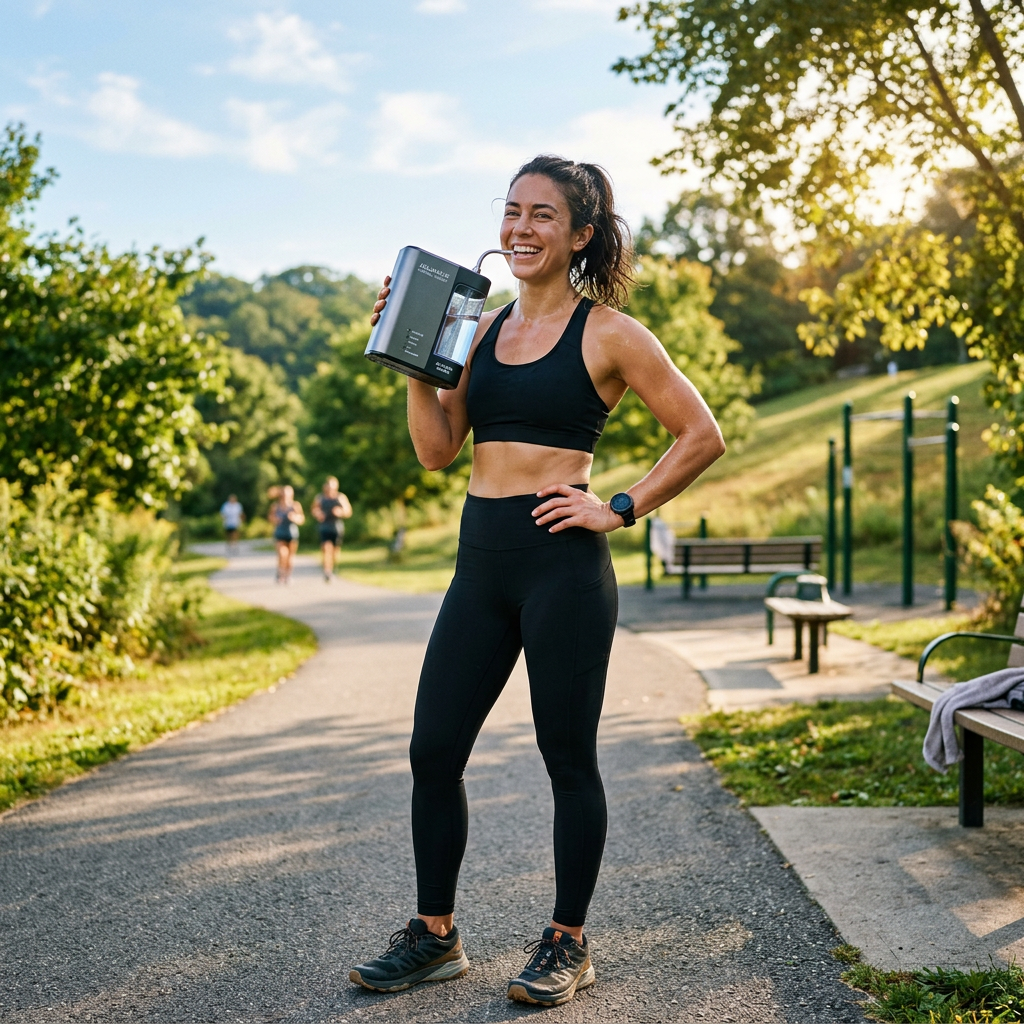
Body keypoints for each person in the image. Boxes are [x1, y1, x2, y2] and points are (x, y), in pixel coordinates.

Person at [349, 156, 725, 1006]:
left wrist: (619, 506)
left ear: (581, 234)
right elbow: (438, 451)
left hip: (563, 568)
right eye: (511, 210)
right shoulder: (476, 333)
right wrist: (416, 359)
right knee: (433, 750)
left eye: (543, 215)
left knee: (566, 759)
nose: (520, 228)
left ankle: (568, 941)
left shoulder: (612, 335)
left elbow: (700, 435)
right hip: (479, 563)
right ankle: (435, 937)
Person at [312, 477, 352, 582]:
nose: (330, 489)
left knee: (335, 551)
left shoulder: (340, 498)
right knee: (326, 548)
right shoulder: (320, 498)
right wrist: (318, 514)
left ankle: (333, 567)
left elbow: (348, 511)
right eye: (328, 487)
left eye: (332, 487)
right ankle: (327, 572)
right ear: (325, 487)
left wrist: (340, 512)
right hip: (324, 526)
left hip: (336, 527)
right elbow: (314, 509)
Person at [268, 485, 304, 584]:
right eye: (283, 493)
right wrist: (275, 519)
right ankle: (280, 573)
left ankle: (288, 575)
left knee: (290, 557)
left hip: (292, 534)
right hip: (279, 533)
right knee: (282, 554)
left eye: (287, 493)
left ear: (291, 494)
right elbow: (270, 517)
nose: (285, 495)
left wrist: (294, 517)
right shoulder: (275, 506)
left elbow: (301, 519)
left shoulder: (295, 505)